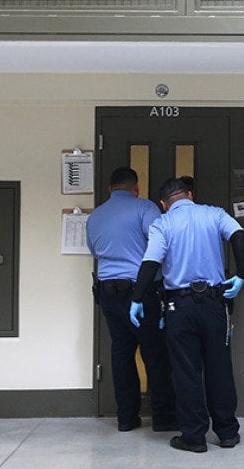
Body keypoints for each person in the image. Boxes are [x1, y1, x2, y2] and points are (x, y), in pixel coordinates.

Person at [130, 177, 244, 453]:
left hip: (179, 307)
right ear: (190, 195)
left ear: (163, 204)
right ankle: (227, 432)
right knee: (219, 366)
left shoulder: (163, 224)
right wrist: (241, 275)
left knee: (186, 371)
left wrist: (136, 298)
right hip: (215, 303)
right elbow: (239, 237)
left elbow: (150, 263)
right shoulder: (215, 214)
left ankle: (194, 437)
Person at [85, 167, 176, 432]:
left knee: (121, 353)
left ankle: (126, 418)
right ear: (135, 188)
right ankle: (163, 418)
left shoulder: (95, 217)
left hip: (107, 292)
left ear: (109, 189)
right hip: (140, 291)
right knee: (154, 355)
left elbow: (94, 251)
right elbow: (161, 242)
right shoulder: (145, 208)